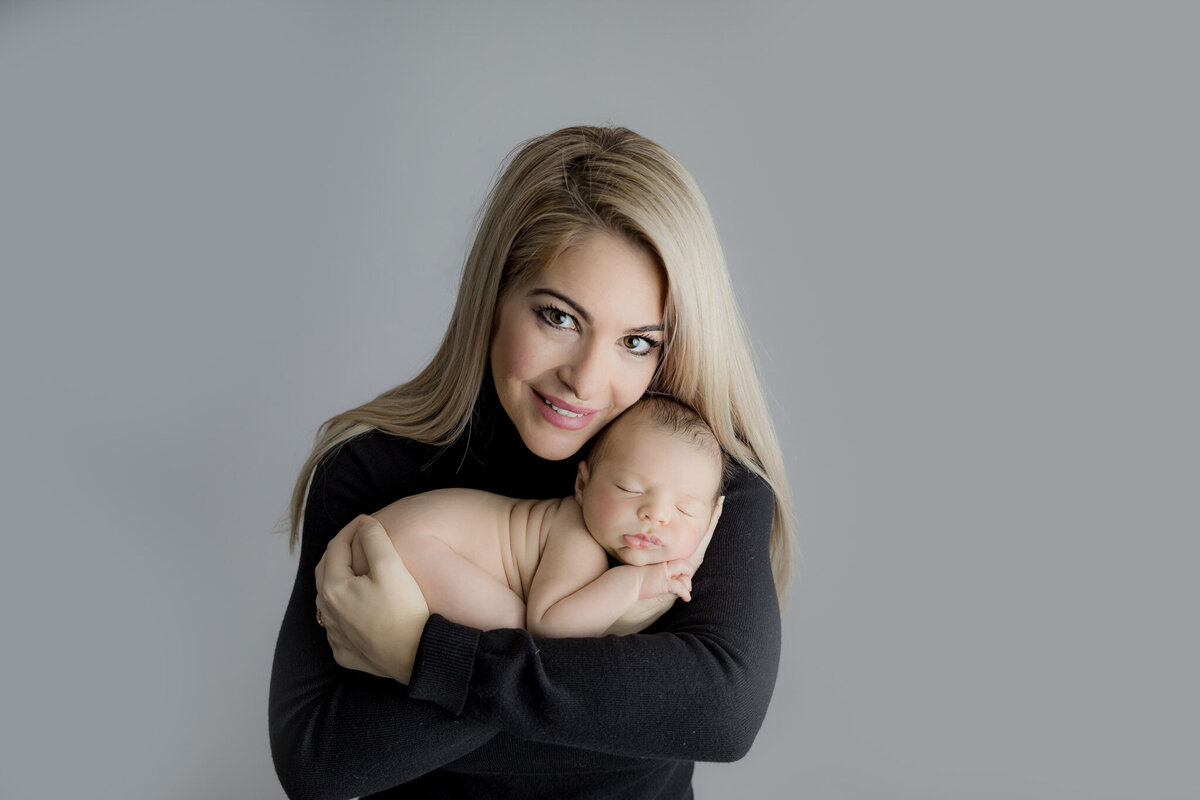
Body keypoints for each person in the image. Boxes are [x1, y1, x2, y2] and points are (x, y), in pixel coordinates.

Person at [270, 125, 797, 800]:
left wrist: (419, 655)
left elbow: (721, 715)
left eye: (637, 341)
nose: (584, 378)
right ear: (495, 296)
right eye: (558, 317)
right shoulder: (373, 473)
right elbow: (319, 762)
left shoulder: (694, 489)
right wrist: (611, 688)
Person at [345, 396, 727, 638]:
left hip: (395, 536)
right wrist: (639, 582)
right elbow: (552, 628)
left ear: (710, 520)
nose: (654, 515)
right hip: (406, 547)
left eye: (684, 509)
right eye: (629, 488)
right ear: (582, 486)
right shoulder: (578, 538)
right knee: (517, 634)